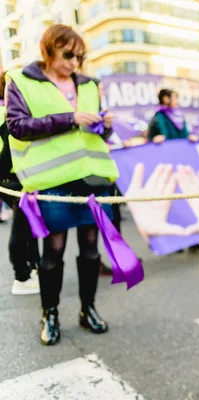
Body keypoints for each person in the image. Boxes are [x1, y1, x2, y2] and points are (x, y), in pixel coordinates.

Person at [6, 24, 118, 346]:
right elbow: (18, 127)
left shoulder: (90, 84)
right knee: (53, 251)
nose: (74, 62)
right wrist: (70, 119)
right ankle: (50, 314)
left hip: (93, 177)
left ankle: (88, 309)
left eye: (79, 56)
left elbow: (98, 134)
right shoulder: (22, 80)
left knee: (91, 248)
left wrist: (104, 126)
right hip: (53, 180)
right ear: (48, 48)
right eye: (68, 54)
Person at [148, 89, 199, 253]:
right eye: (175, 97)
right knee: (174, 204)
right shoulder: (157, 118)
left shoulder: (178, 116)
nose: (177, 100)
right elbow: (150, 140)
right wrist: (154, 140)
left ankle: (193, 241)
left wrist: (190, 138)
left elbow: (184, 135)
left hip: (182, 164)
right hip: (169, 167)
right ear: (166, 99)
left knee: (189, 202)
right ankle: (177, 241)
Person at [0, 72, 41, 295]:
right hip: (13, 178)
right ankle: (21, 277)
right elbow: (8, 152)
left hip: (13, 178)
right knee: (22, 227)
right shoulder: (7, 113)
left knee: (28, 225)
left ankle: (33, 267)